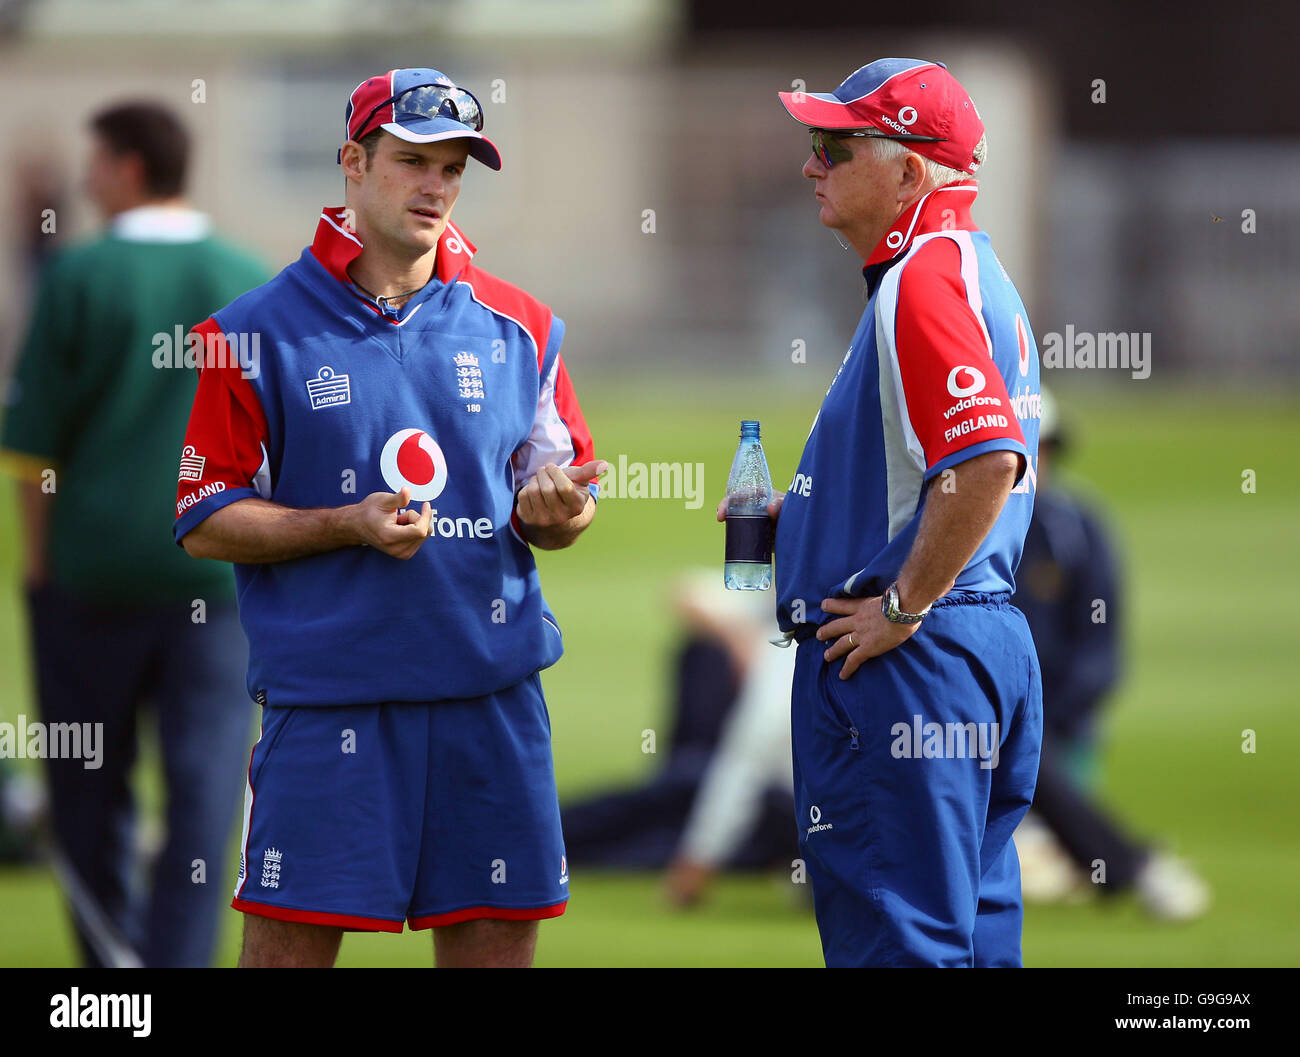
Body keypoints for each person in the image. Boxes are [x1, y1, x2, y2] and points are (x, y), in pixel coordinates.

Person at [171, 68, 603, 969]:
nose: (436, 186)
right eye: (413, 161)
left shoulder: (524, 327)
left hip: (492, 697)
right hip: (330, 702)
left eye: (453, 168)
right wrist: (346, 523)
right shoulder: (249, 332)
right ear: (353, 164)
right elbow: (205, 517)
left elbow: (558, 496)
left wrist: (557, 510)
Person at [756, 57, 1044, 967]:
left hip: (914, 658)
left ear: (911, 172)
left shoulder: (924, 277)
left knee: (898, 945)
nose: (811, 166)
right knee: (970, 942)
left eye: (834, 148)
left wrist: (904, 601)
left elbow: (987, 457)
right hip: (979, 646)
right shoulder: (976, 271)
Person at [0, 101, 268, 966]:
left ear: (125, 166)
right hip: (222, 580)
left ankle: (117, 973)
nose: (85, 178)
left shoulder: (77, 277)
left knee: (88, 788)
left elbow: (33, 449)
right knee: (205, 791)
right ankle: (182, 961)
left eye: (96, 159)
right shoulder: (249, 277)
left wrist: (39, 569)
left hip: (94, 574)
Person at [1013, 390, 1210, 919]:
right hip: (966, 715)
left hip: (1055, 727)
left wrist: (1048, 720)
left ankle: (1125, 867)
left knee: (1022, 757)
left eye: (1042, 449)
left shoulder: (1076, 530)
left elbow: (1100, 652)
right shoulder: (959, 527)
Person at [560, 570, 797, 889]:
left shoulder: (793, 645)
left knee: (662, 812)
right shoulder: (761, 612)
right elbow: (688, 592)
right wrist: (738, 639)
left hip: (771, 798)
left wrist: (697, 862)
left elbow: (747, 763)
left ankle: (545, 841)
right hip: (732, 780)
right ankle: (548, 841)